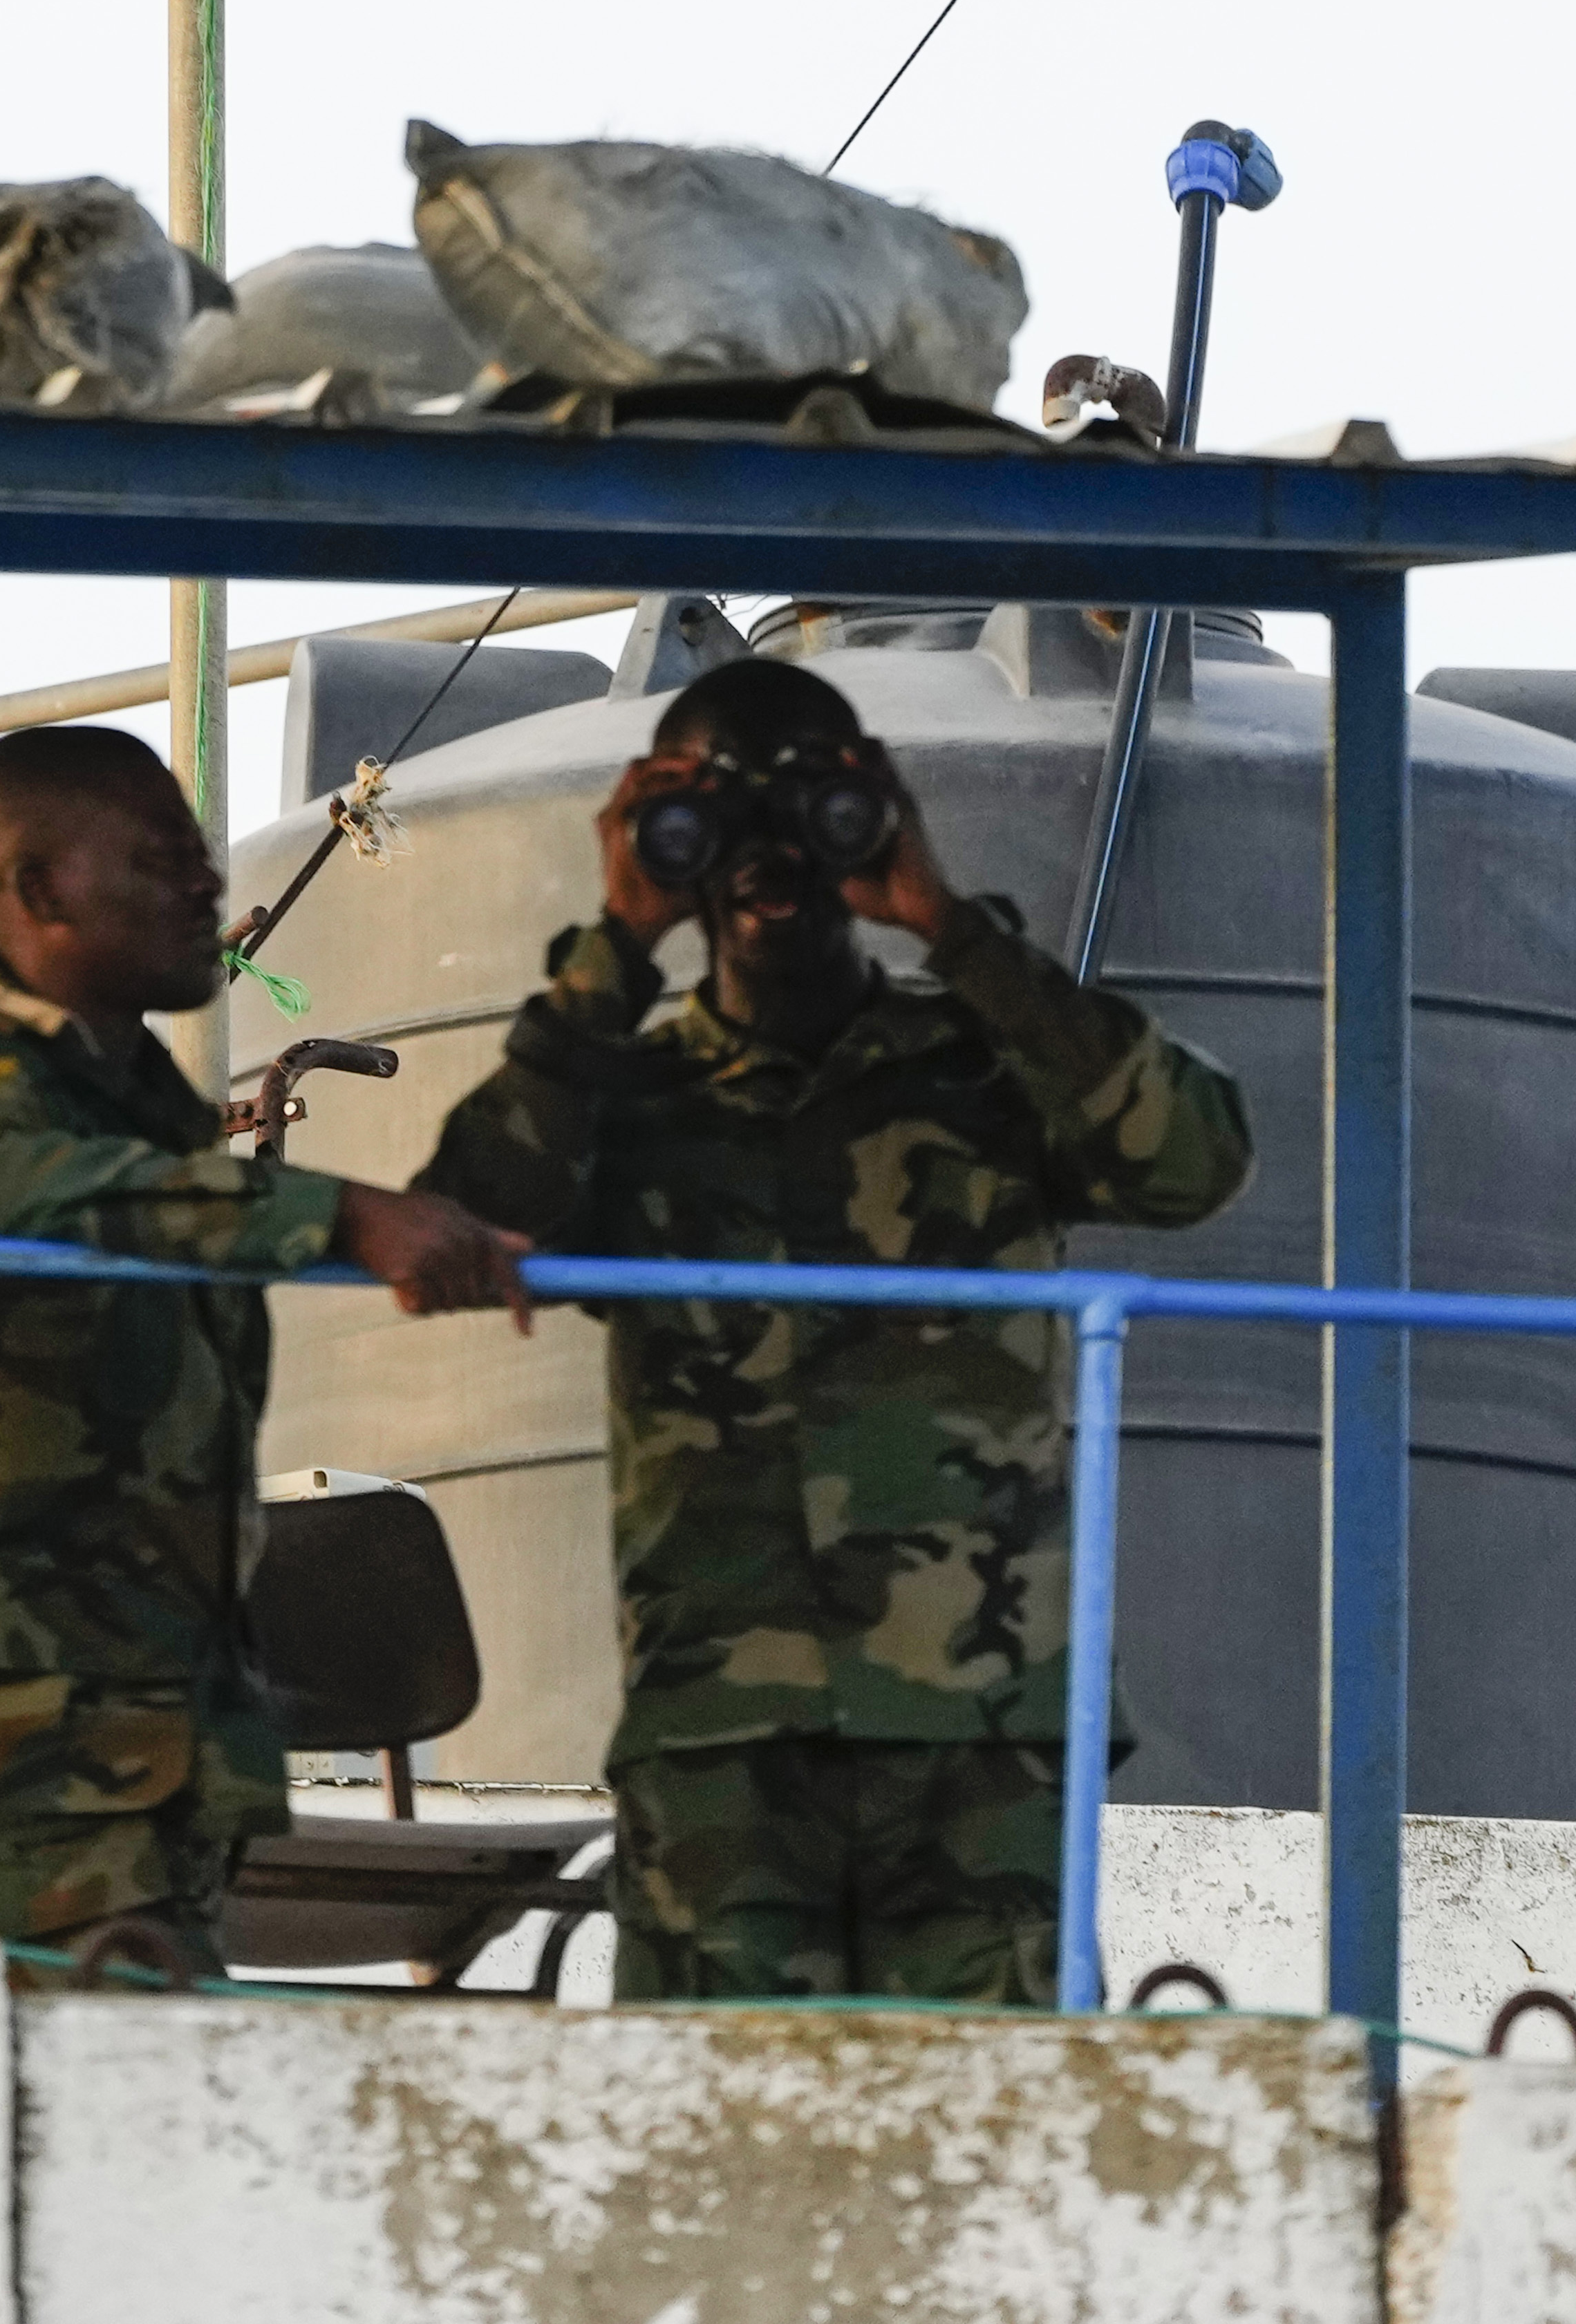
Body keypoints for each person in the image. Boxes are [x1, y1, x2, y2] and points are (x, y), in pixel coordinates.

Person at [417, 655, 1254, 2004]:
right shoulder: (625, 1096)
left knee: (990, 2143)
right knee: (717, 2147)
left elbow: (1196, 1162)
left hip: (976, 1732)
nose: (767, 855)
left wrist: (948, 923)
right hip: (725, 1739)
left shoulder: (989, 1065)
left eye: (809, 806)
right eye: (712, 819)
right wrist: (615, 946)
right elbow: (462, 1225)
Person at [0, 724, 531, 1975]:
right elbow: (42, 1199)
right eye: (159, 859)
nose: (207, 887)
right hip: (6, 1740)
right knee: (72, 2127)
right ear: (40, 891)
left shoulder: (136, 1091)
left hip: (154, 1737)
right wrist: (344, 1214)